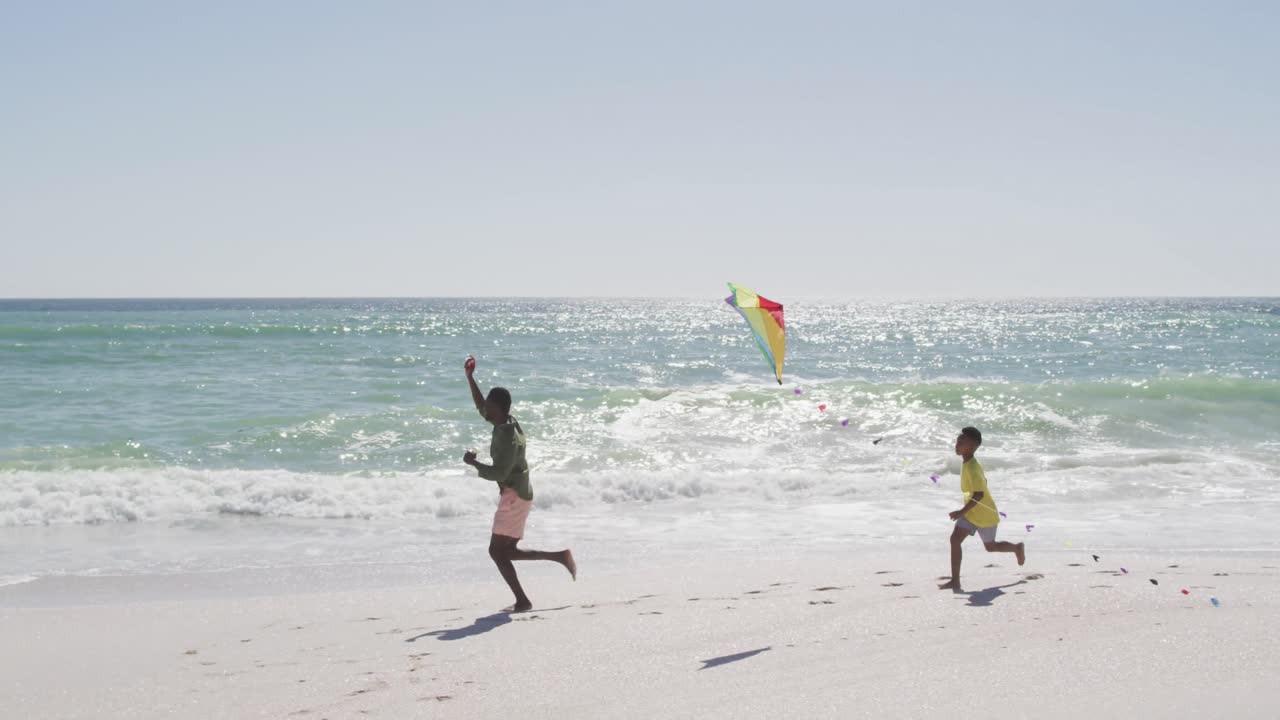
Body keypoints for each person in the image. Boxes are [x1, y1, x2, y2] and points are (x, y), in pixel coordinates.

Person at [463, 355, 575, 612]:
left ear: (499, 409)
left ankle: (523, 600)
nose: (485, 410)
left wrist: (474, 464)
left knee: (496, 551)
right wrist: (470, 379)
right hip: (519, 493)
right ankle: (560, 557)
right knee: (507, 551)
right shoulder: (506, 422)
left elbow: (499, 473)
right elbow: (481, 407)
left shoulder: (507, 437)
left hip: (514, 496)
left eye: (490, 407)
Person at [938, 426, 1025, 591]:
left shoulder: (972, 467)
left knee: (991, 547)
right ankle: (955, 581)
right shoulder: (968, 463)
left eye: (962, 442)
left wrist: (960, 512)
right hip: (971, 512)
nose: (957, 444)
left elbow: (978, 495)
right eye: (957, 440)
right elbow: (984, 483)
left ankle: (1016, 548)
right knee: (955, 539)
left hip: (984, 513)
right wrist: (965, 512)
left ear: (972, 446)